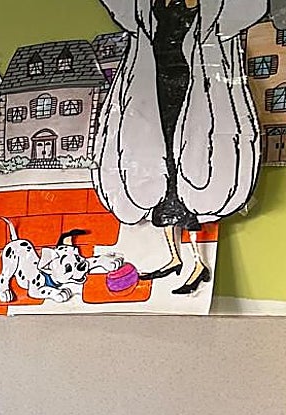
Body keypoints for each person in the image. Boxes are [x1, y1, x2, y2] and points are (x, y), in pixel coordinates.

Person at [94, 0, 264, 295]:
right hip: (154, 93)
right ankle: (173, 257)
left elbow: (244, 13)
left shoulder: (210, 10)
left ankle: (198, 262)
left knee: (193, 177)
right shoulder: (148, 8)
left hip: (194, 93)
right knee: (158, 178)